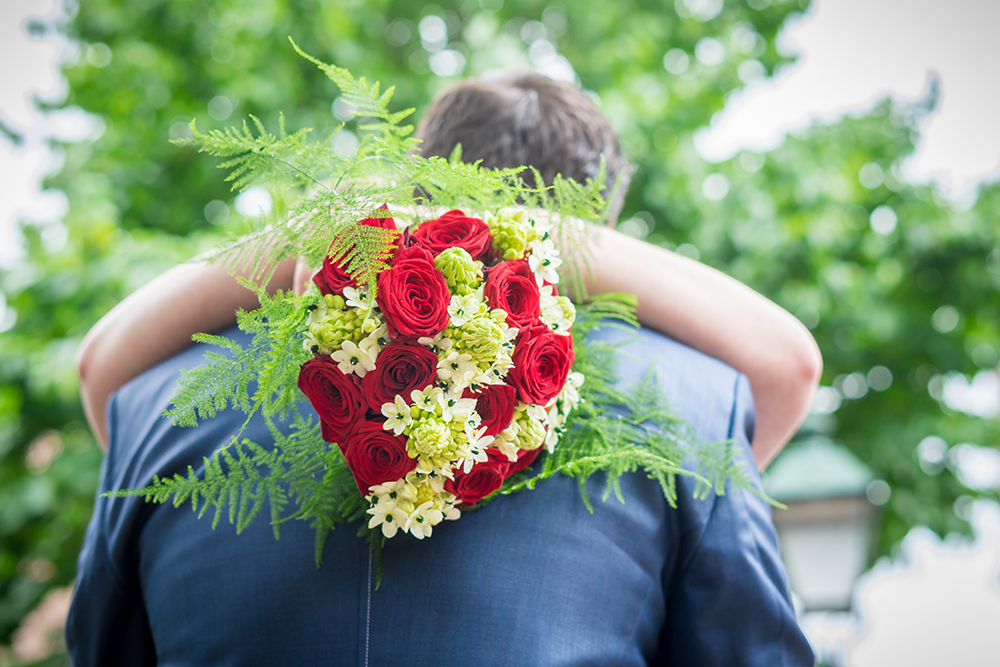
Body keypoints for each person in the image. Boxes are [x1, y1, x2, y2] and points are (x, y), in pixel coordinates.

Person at [66, 71, 819, 665]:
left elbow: (101, 645)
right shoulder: (693, 405)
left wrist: (315, 228)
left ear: (418, 180)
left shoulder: (156, 404)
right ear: (603, 230)